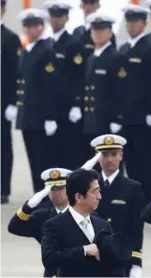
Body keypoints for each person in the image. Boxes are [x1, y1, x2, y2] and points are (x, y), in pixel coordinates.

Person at [41, 169, 125, 277]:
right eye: (95, 192)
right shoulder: (55, 225)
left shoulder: (102, 225)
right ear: (79, 197)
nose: (99, 196)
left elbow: (114, 267)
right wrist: (84, 250)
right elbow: (49, 259)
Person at [115, 4, 151, 199]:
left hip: (143, 115)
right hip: (126, 114)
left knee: (145, 161)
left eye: (136, 22)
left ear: (144, 23)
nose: (131, 26)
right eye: (129, 22)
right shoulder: (124, 48)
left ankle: (148, 197)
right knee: (129, 161)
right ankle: (133, 197)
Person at [16, 8, 59, 193]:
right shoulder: (27, 50)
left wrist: (50, 116)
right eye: (26, 26)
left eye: (32, 26)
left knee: (43, 162)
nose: (28, 29)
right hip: (28, 116)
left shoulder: (46, 50)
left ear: (41, 27)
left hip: (41, 117)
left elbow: (50, 87)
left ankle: (45, 199)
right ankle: (38, 197)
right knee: (33, 160)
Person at [90, 134, 146, 277]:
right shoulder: (88, 186)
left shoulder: (132, 188)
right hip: (92, 256)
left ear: (121, 156)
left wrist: (136, 262)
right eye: (105, 154)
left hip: (120, 258)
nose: (109, 159)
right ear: (98, 157)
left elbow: (136, 229)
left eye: (114, 154)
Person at [44, 0, 87, 170]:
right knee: (50, 156)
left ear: (66, 18)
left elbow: (79, 77)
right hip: (50, 108)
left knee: (69, 154)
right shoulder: (47, 44)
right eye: (53, 16)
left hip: (67, 109)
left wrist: (77, 104)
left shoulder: (73, 44)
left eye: (60, 16)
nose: (56, 20)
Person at [8, 168, 71, 277]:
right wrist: (30, 205)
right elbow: (14, 227)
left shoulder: (83, 214)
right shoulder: (42, 217)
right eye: (52, 189)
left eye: (60, 188)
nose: (56, 193)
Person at [77, 11, 121, 156]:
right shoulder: (90, 58)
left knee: (109, 162)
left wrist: (117, 118)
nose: (98, 34)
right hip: (91, 119)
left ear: (110, 33)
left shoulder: (115, 57)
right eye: (95, 30)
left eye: (102, 30)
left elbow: (120, 91)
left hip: (106, 119)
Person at [1, 0, 21, 204]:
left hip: (1, 102)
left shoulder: (9, 38)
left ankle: (2, 188)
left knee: (3, 146)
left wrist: (13, 103)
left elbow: (15, 74)